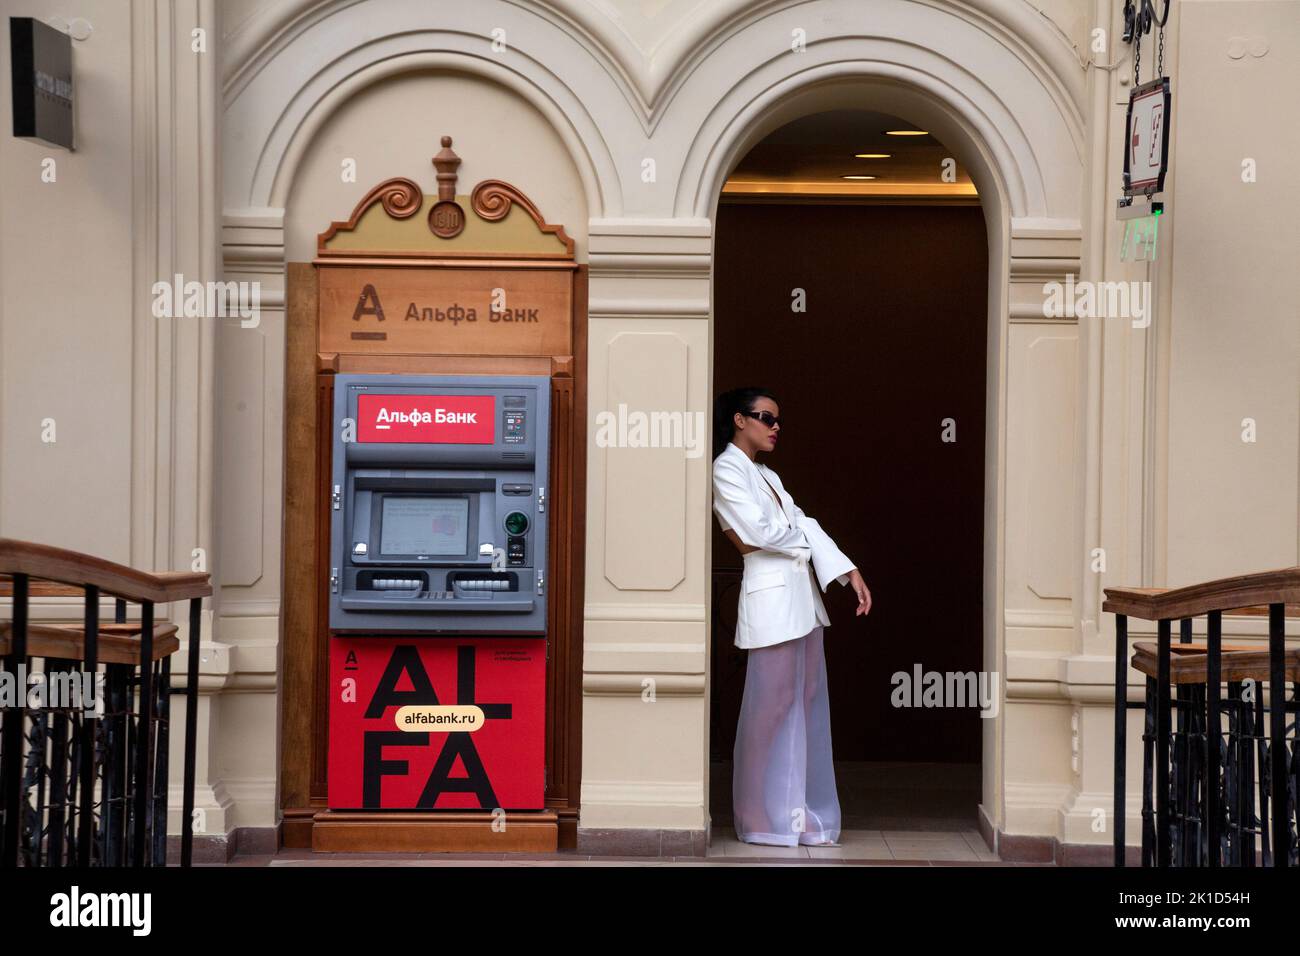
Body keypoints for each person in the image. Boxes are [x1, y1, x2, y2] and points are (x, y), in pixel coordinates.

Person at [711, 386, 872, 847]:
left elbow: (801, 522)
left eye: (778, 419)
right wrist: (798, 540)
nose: (775, 426)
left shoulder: (768, 475)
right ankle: (756, 812)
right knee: (771, 704)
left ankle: (792, 813)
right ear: (740, 420)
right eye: (766, 417)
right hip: (772, 600)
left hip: (802, 600)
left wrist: (848, 571)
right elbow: (756, 532)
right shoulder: (726, 469)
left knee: (804, 699)